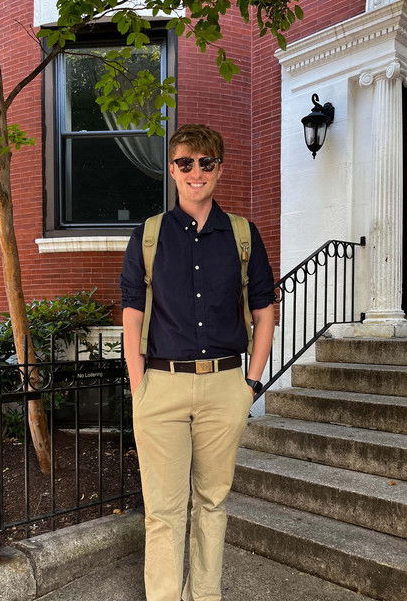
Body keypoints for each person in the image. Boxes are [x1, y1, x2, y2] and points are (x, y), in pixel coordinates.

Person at [120, 123, 275, 601]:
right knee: (163, 511)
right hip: (161, 386)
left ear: (219, 169)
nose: (196, 172)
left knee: (212, 503)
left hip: (225, 385)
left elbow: (264, 311)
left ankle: (205, 595)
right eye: (185, 162)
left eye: (206, 163)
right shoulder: (149, 235)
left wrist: (251, 383)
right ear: (172, 169)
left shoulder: (243, 235)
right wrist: (139, 386)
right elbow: (132, 313)